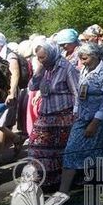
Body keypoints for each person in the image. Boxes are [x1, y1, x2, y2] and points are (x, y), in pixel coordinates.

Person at [44, 42, 103, 205]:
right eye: (80, 58)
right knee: (71, 150)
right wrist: (75, 111)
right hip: (83, 117)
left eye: (85, 58)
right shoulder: (84, 69)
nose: (82, 61)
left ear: (95, 56)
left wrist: (95, 122)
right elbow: (79, 92)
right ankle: (63, 192)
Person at [27, 42, 79, 188]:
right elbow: (32, 86)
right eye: (39, 58)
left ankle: (60, 181)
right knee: (36, 146)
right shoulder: (44, 68)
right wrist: (39, 70)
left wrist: (76, 114)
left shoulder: (66, 67)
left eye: (43, 57)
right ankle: (42, 178)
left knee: (60, 150)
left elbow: (77, 92)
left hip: (63, 116)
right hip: (45, 115)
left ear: (51, 54)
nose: (41, 60)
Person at [0, 32, 22, 164]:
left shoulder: (10, 56)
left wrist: (11, 93)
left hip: (6, 95)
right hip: (0, 93)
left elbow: (15, 75)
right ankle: (16, 138)